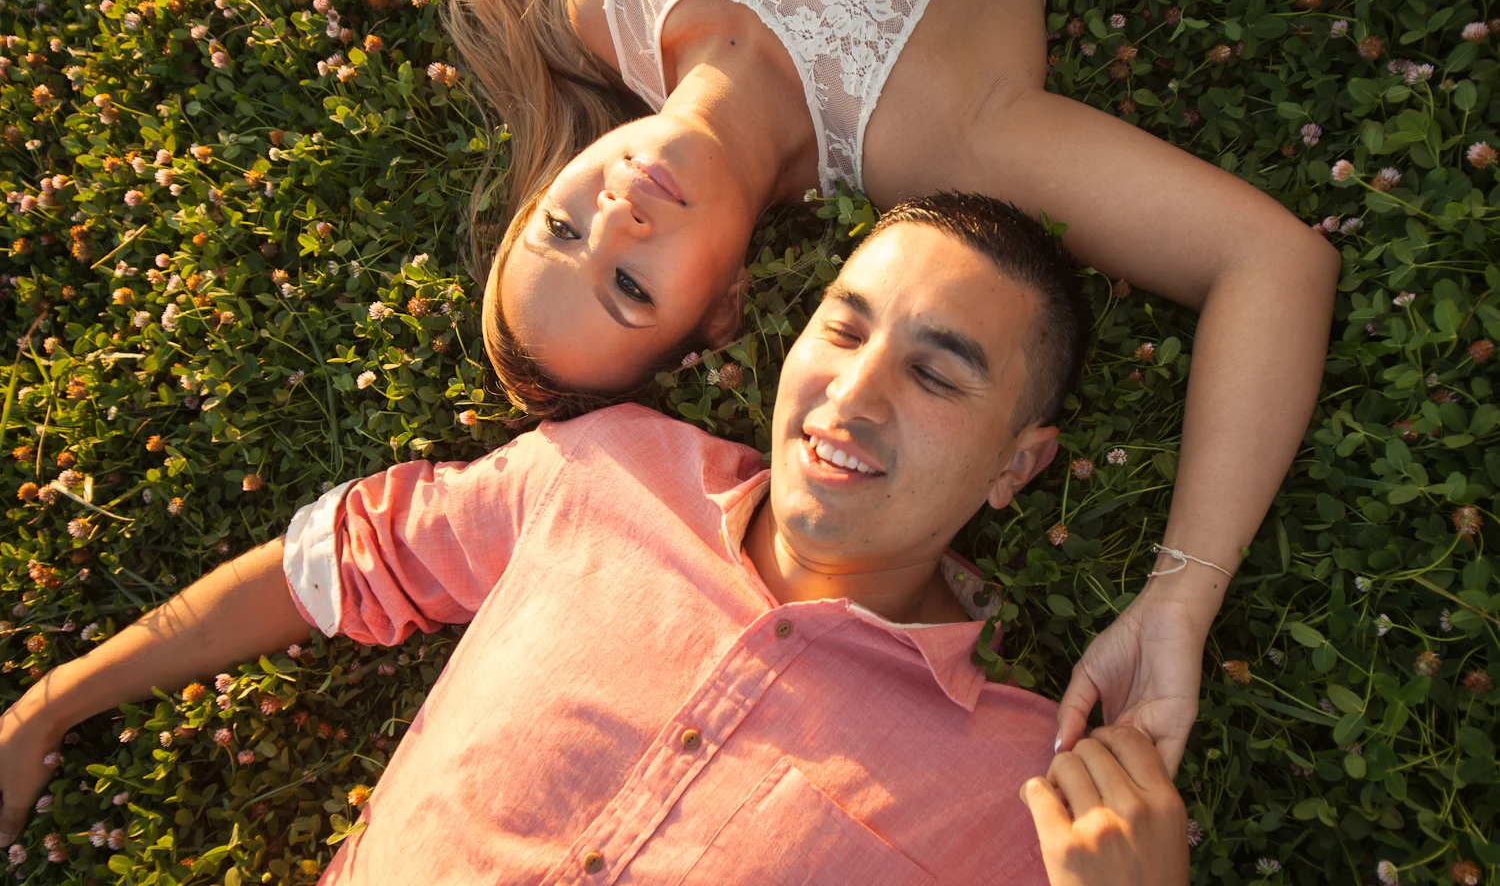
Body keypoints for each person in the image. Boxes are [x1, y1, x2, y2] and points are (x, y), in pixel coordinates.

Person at [1, 196, 1188, 885]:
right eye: (844, 328)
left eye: (936, 373)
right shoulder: (606, 473)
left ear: (1018, 462)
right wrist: (46, 707)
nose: (851, 397)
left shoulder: (1032, 787)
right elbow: (335, 566)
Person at [448, 0, 1340, 772]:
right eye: (633, 289)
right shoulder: (949, 144)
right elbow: (1270, 264)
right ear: (723, 308)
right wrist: (1179, 599)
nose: (612, 221)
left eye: (558, 231)